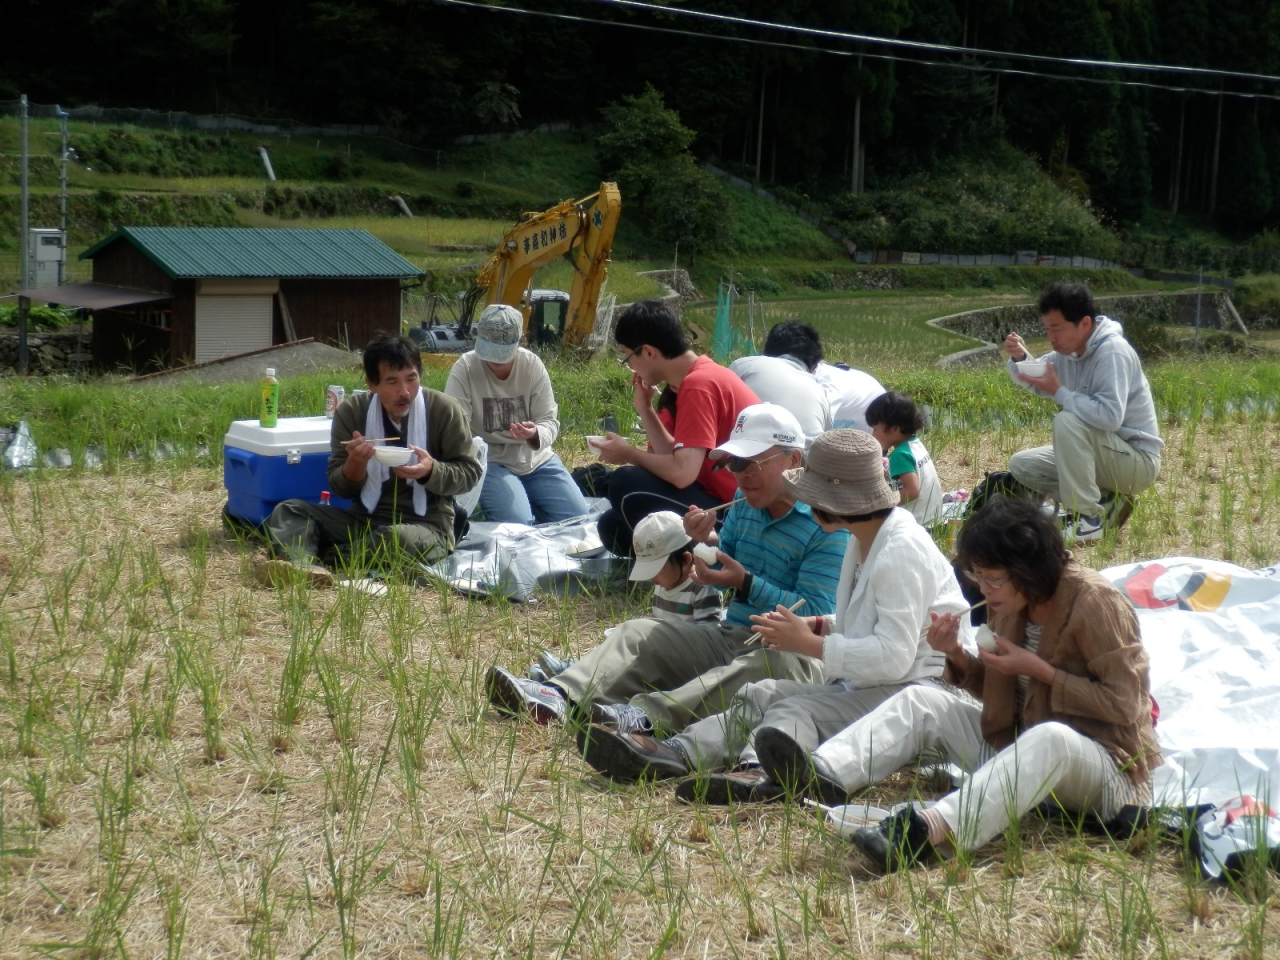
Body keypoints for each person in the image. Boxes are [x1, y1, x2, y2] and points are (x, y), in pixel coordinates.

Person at [753, 498, 1161, 872]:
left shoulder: (1096, 602)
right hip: (1018, 746)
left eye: (993, 578)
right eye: (976, 577)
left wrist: (1040, 669)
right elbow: (1004, 693)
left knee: (1051, 738)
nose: (983, 590)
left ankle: (930, 831)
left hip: (1104, 770)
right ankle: (823, 774)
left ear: (1029, 569)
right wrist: (956, 654)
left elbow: (1126, 705)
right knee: (923, 699)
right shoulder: (1010, 603)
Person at [575, 429, 971, 803]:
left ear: (841, 500)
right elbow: (868, 622)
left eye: (813, 495)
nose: (808, 503)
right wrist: (817, 625)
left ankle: (759, 771)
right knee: (759, 692)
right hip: (880, 683)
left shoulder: (899, 551)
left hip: (914, 692)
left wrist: (812, 644)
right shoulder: (866, 538)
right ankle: (678, 751)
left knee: (795, 707)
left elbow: (896, 655)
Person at [486, 403, 848, 735]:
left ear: (794, 460)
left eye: (751, 463)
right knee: (640, 632)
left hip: (793, 654)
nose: (741, 476)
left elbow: (817, 613)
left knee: (765, 665)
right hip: (733, 635)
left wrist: (746, 583)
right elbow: (726, 576)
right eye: (733, 464)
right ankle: (559, 695)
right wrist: (707, 547)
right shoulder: (743, 506)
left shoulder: (827, 523)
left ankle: (646, 717)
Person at [258, 333, 482, 584]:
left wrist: (431, 470)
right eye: (392, 382)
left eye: (412, 378)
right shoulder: (352, 412)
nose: (405, 391)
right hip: (364, 519)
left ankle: (328, 557)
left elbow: (469, 474)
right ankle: (299, 565)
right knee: (290, 510)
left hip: (426, 524)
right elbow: (340, 488)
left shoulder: (444, 410)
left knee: (397, 539)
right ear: (371, 384)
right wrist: (356, 462)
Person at [590, 300, 759, 557]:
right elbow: (677, 457)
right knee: (612, 525)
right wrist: (645, 408)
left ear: (647, 351)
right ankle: (679, 557)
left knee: (625, 482)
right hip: (717, 501)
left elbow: (682, 473)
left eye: (628, 357)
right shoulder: (702, 376)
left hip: (739, 516)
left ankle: (684, 565)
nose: (631, 368)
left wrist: (628, 454)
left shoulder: (698, 384)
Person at [1004, 282, 1162, 542]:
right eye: (1047, 329)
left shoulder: (1113, 351)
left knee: (1067, 421)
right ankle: (1108, 503)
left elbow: (1110, 417)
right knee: (1023, 465)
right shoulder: (1067, 353)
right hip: (1107, 455)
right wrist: (1021, 359)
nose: (1051, 337)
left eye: (1057, 329)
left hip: (1137, 462)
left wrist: (1060, 392)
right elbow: (1039, 376)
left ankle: (1087, 519)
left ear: (1084, 324)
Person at [444, 304, 588, 525]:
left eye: (503, 355)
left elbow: (549, 420)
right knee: (516, 524)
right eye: (490, 352)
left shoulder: (532, 365)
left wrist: (534, 433)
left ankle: (536, 510)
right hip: (490, 461)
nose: (496, 361)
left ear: (520, 340)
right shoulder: (465, 368)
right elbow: (455, 425)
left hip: (536, 459)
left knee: (577, 519)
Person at [760, 321, 886, 434]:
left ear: (813, 365)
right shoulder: (774, 374)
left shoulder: (827, 386)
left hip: (876, 428)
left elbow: (810, 429)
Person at [729, 331, 832, 449]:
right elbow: (827, 436)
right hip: (807, 459)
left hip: (753, 451)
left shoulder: (745, 365)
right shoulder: (820, 391)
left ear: (766, 351)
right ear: (814, 366)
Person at [627, 510, 724, 624]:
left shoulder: (702, 588)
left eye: (657, 570)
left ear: (686, 560)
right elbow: (659, 618)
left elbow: (709, 633)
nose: (653, 578)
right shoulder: (663, 585)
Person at [865, 391, 943, 527]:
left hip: (919, 524)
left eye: (875, 429)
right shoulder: (915, 445)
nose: (873, 435)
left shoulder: (899, 455)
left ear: (894, 429)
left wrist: (882, 504)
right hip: (934, 519)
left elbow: (912, 491)